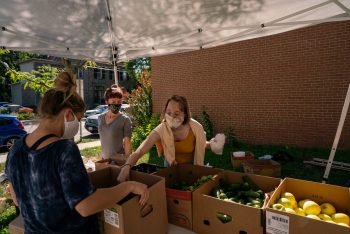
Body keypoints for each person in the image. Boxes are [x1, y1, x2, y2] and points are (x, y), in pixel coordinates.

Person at [5, 72, 149, 233]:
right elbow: (86, 205)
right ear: (67, 114)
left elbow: (17, 200)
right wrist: (128, 187)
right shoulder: (63, 150)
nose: (77, 125)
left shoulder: (16, 149)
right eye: (78, 119)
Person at [117, 95, 223, 182]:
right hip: (171, 167)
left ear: (185, 114)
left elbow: (201, 144)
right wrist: (127, 165)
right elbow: (141, 149)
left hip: (192, 166)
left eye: (176, 113)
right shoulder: (162, 128)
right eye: (168, 113)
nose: (171, 116)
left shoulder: (195, 128)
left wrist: (213, 145)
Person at [98, 85, 132, 159]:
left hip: (118, 162)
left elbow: (127, 144)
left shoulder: (125, 120)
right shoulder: (100, 118)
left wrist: (128, 163)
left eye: (119, 101)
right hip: (105, 161)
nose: (116, 104)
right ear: (107, 102)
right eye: (113, 101)